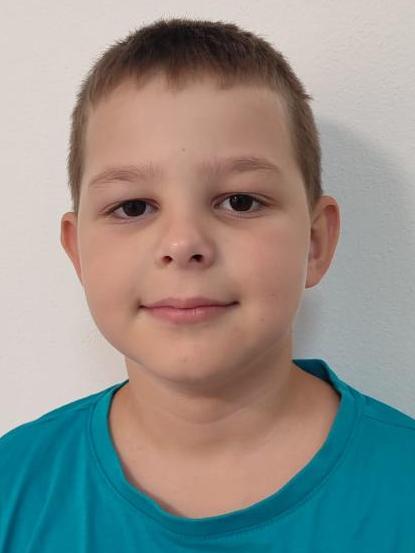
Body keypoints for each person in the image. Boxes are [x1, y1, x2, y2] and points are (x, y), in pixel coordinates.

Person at [1, 17, 414, 552]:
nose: (183, 243)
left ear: (314, 243)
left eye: (239, 201)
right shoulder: (13, 490)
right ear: (78, 252)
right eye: (133, 207)